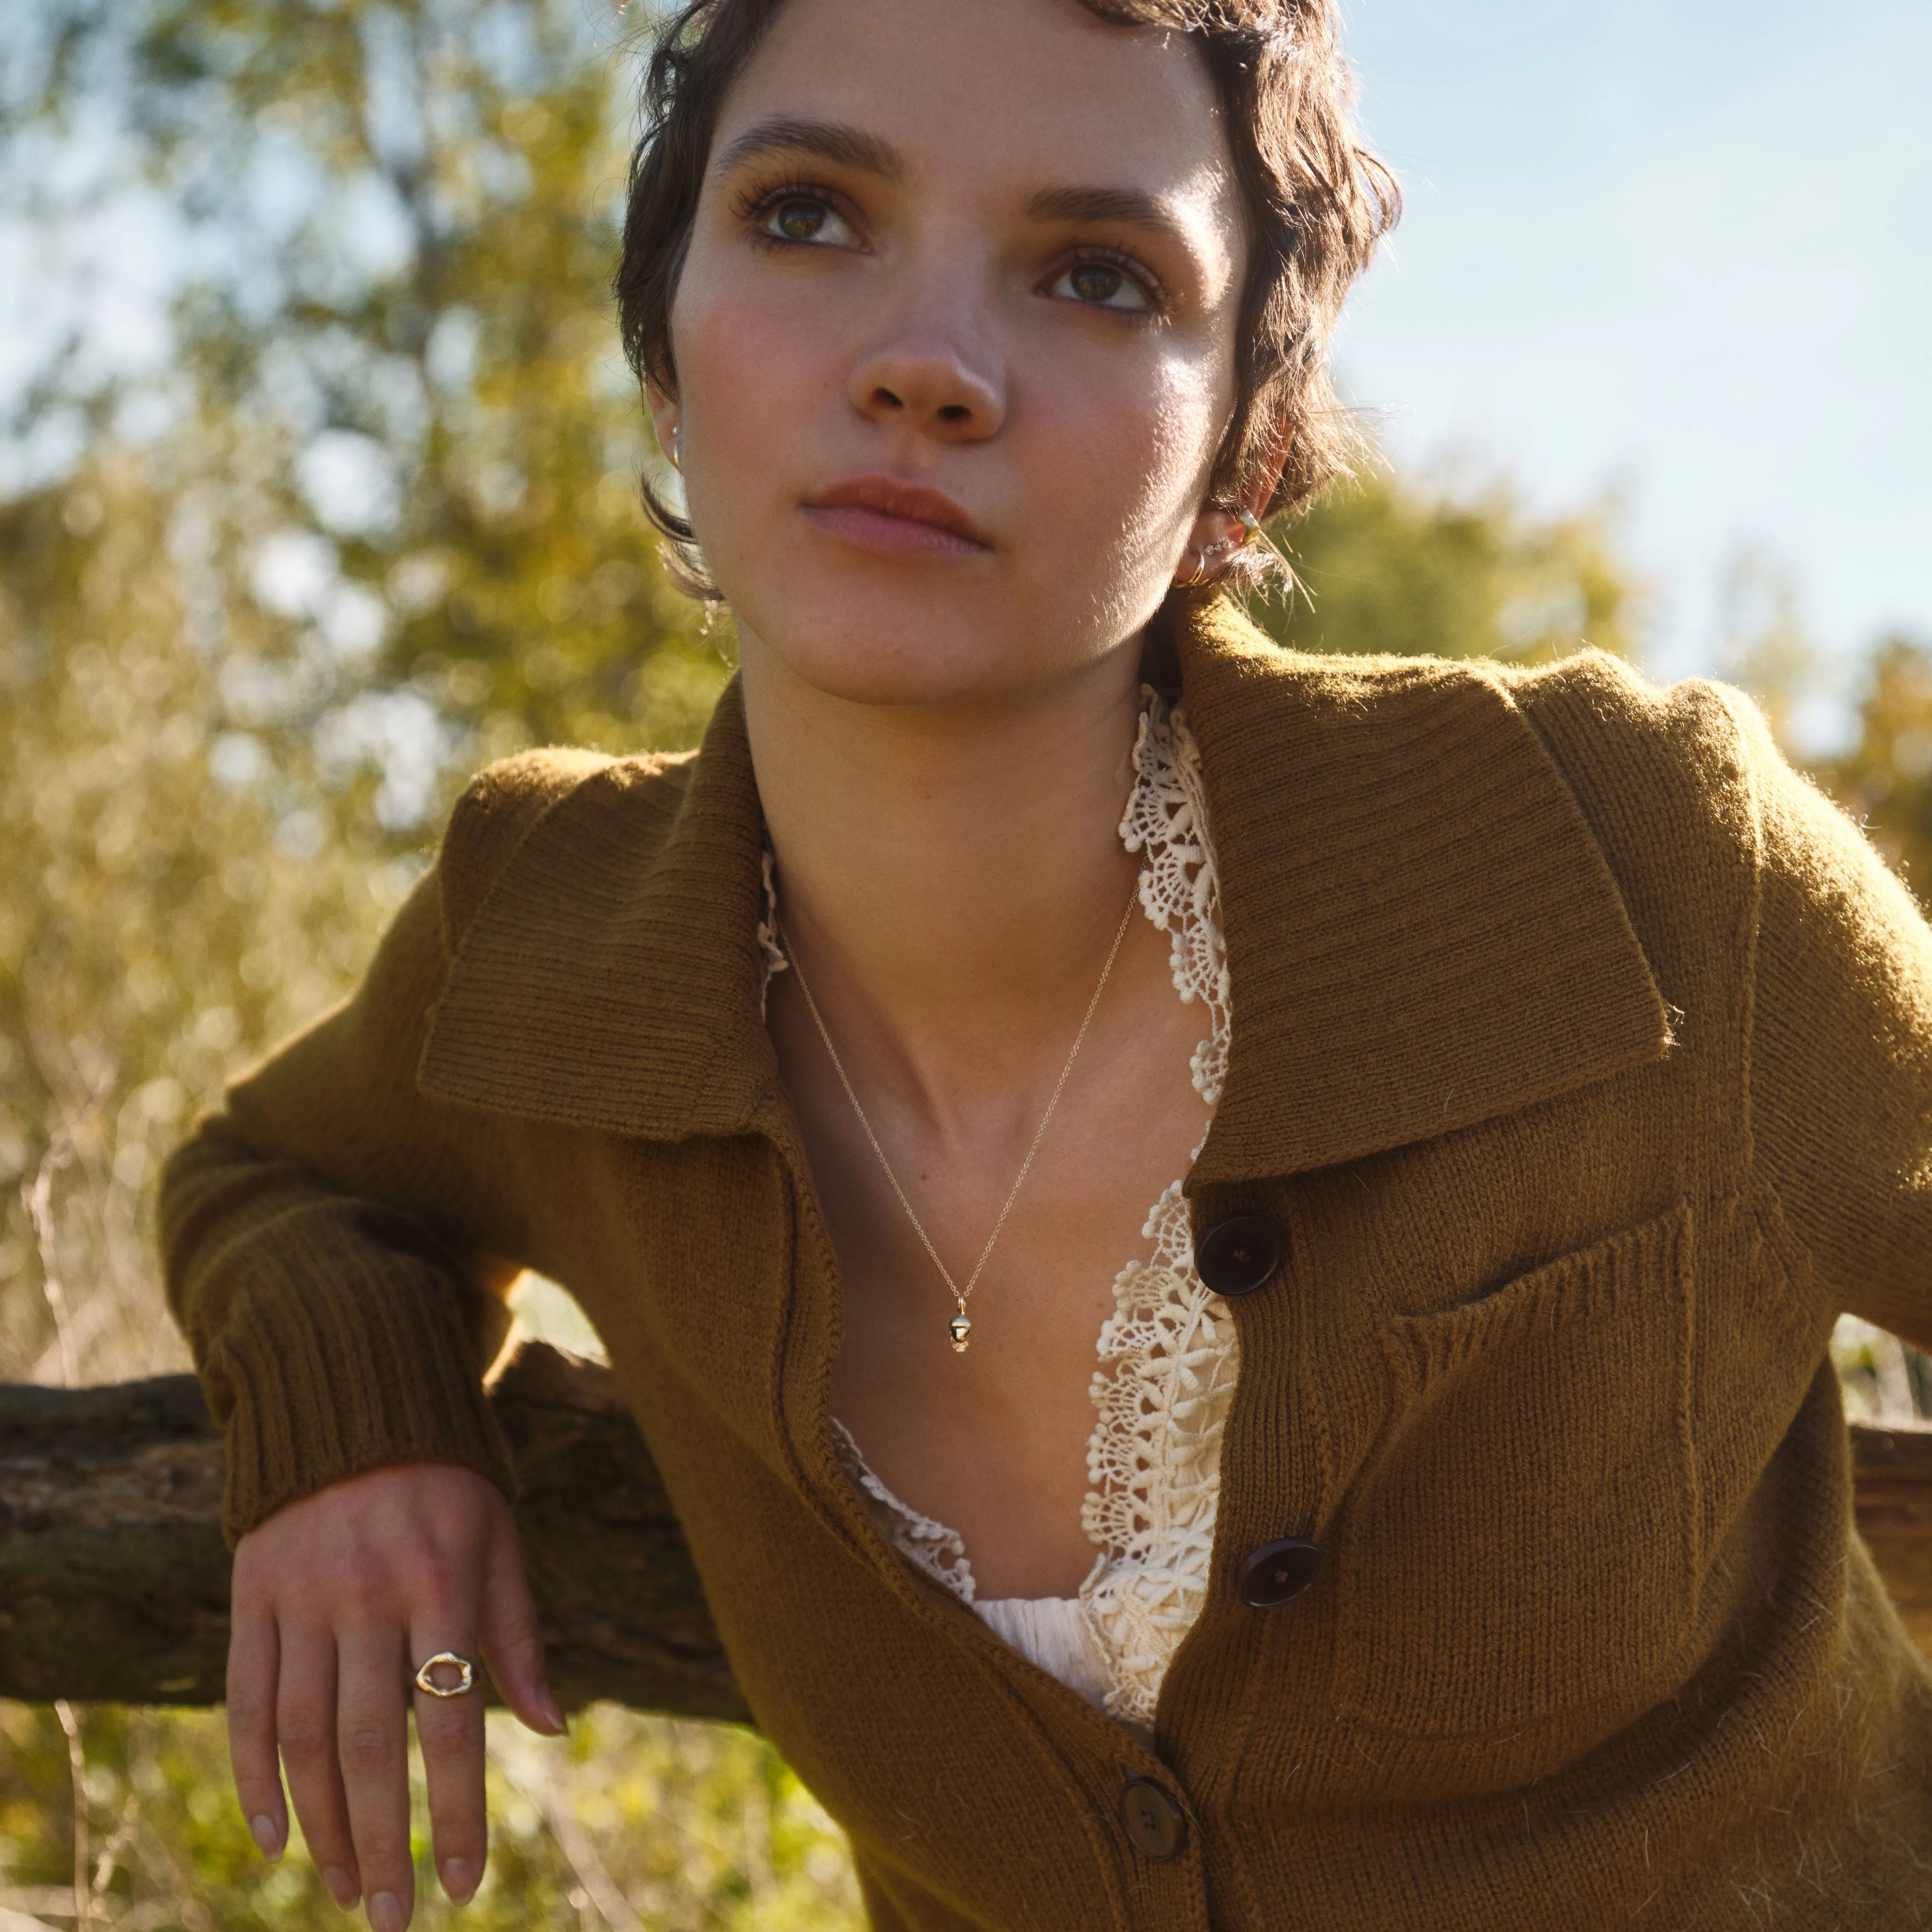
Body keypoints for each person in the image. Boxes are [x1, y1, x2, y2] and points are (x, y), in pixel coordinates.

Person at [158, 0, 1932, 1925]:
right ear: (664, 343)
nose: (925, 363)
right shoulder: (551, 934)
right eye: (809, 215)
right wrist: (356, 1414)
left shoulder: (1637, 857)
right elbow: (278, 1172)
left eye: (1095, 274)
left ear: (1240, 451)